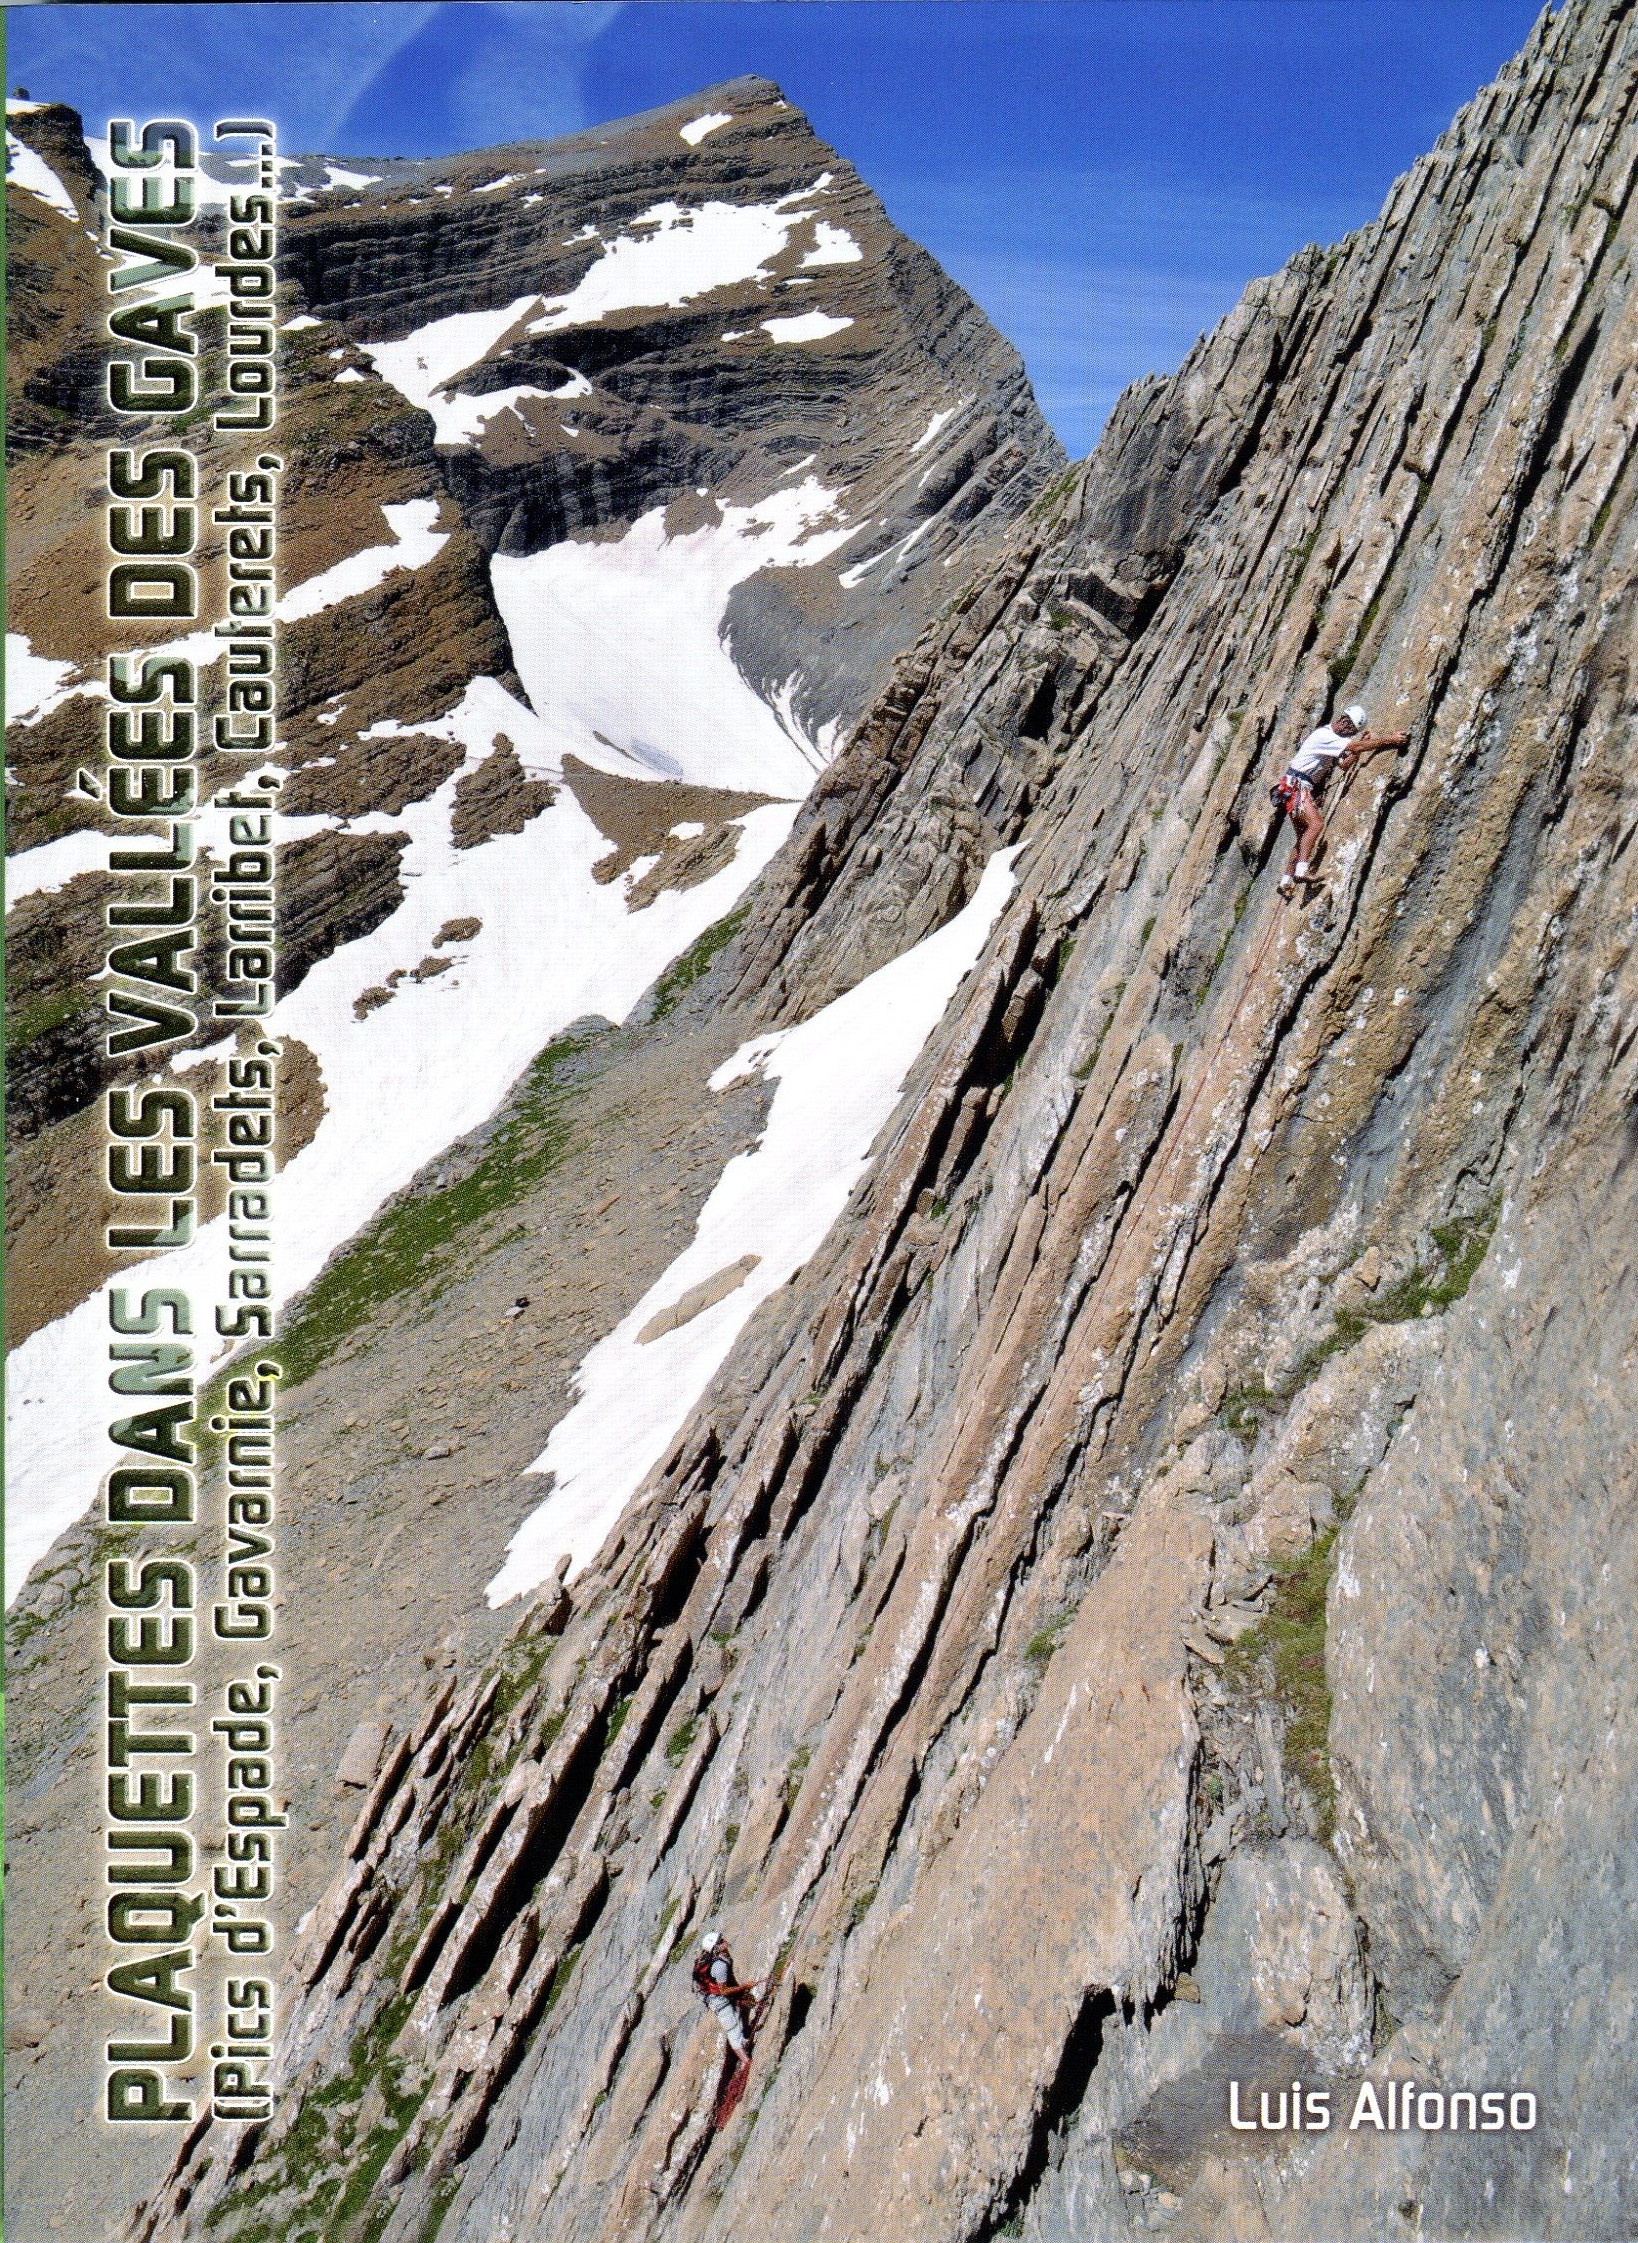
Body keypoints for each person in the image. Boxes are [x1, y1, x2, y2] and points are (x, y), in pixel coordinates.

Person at [1271, 703, 1409, 895]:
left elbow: (1343, 764)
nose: (1348, 732)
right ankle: (1301, 871)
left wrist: (1358, 749)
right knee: (1316, 825)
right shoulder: (1324, 735)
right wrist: (1390, 740)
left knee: (1304, 836)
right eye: (1349, 728)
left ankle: (1286, 881)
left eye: (1351, 730)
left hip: (1294, 786)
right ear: (1344, 721)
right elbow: (1355, 746)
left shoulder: (1332, 739)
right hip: (1296, 785)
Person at [691, 1929, 756, 2061]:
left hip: (719, 1995)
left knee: (744, 2007)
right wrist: (744, 1986)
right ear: (716, 1948)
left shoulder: (721, 1957)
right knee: (732, 2030)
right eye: (721, 1941)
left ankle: (746, 2035)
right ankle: (746, 2061)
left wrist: (741, 1991)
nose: (725, 1941)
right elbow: (724, 1991)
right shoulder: (719, 1965)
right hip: (718, 2001)